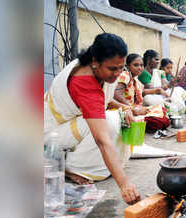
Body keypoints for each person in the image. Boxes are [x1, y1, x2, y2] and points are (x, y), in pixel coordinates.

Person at [44, 33, 141, 204]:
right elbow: (102, 140)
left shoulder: (95, 67)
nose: (118, 74)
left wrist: (126, 108)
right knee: (108, 123)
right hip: (48, 135)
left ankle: (82, 161)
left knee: (115, 117)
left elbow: (106, 99)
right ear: (95, 61)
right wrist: (124, 183)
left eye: (121, 68)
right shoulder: (84, 82)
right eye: (113, 69)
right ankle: (74, 168)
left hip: (66, 125)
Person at [114, 54, 170, 133]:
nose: (139, 68)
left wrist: (157, 90)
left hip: (134, 108)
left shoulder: (135, 79)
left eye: (141, 65)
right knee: (158, 120)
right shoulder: (125, 75)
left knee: (162, 111)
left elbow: (141, 92)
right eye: (136, 65)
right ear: (128, 66)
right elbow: (116, 94)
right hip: (123, 110)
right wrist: (133, 109)